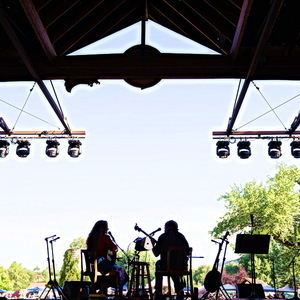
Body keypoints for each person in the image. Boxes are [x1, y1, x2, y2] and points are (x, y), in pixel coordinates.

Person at [86, 220, 128, 292]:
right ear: (103, 228)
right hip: (103, 264)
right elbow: (115, 249)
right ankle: (116, 289)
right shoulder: (105, 238)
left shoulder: (91, 238)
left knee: (108, 274)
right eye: (106, 228)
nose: (107, 229)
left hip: (92, 266)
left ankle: (101, 286)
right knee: (121, 271)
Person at [152, 220, 189, 297]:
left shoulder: (163, 236)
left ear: (168, 227)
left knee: (160, 264)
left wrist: (153, 245)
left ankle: (158, 291)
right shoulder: (181, 237)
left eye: (164, 228)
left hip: (167, 266)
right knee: (174, 268)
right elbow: (188, 252)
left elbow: (156, 254)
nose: (164, 229)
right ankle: (179, 290)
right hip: (182, 266)